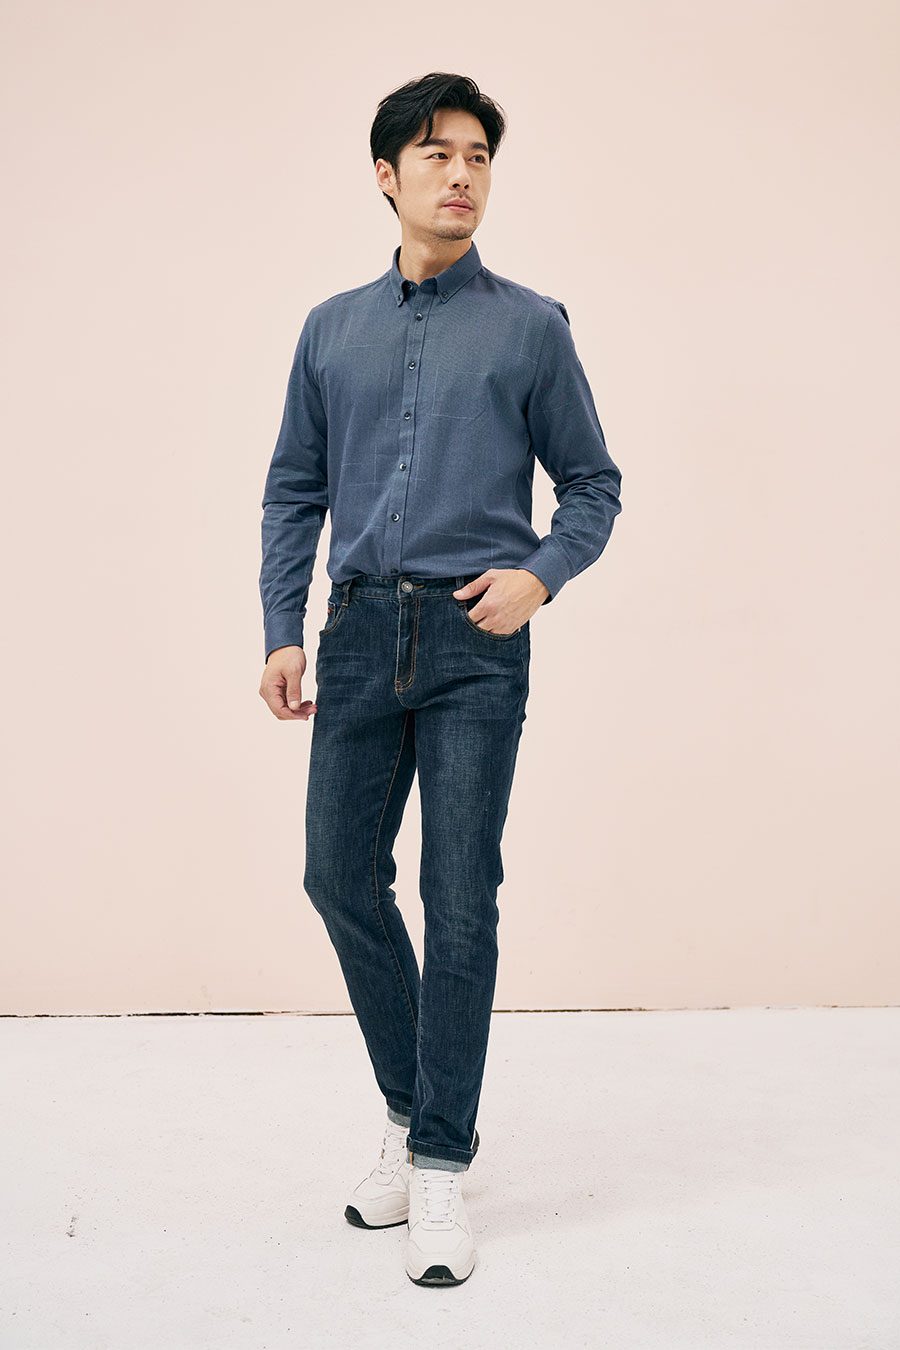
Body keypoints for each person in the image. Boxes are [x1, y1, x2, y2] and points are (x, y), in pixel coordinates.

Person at [258, 71, 622, 1287]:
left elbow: (593, 485)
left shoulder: (532, 327)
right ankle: (420, 1115)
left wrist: (540, 578)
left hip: (476, 638)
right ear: (387, 175)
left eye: (477, 156)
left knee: (460, 898)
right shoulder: (329, 329)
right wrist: (282, 627)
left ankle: (441, 1165)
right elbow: (293, 491)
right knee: (336, 875)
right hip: (359, 633)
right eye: (435, 155)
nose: (461, 175)